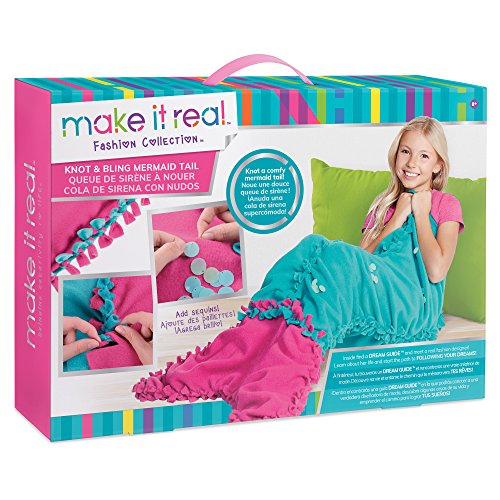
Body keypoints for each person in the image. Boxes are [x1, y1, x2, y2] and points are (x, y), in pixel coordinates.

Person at [133, 117, 464, 421]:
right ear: (395, 154)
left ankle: (283, 371)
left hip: (411, 302)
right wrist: (396, 218)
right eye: (406, 151)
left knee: (335, 254)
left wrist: (420, 212)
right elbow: (364, 258)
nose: (411, 163)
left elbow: (436, 271)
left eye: (423, 156)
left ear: (438, 164)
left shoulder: (445, 204)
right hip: (376, 289)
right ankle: (250, 348)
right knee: (314, 245)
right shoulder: (384, 203)